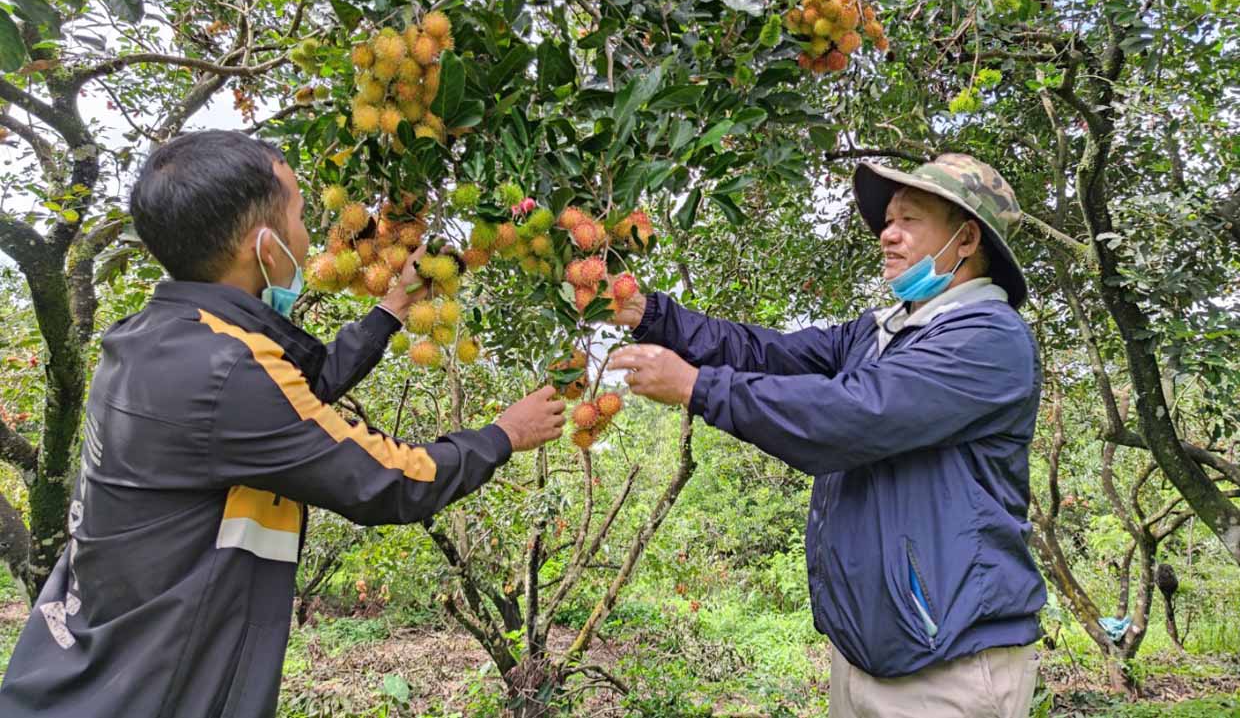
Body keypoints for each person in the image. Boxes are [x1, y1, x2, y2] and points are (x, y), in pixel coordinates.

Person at [0, 130, 566, 718]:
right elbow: (389, 480)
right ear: (267, 247)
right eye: (298, 215)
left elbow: (287, 401)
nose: (310, 234)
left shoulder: (156, 338)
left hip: (77, 675)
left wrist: (391, 311)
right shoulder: (227, 373)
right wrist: (505, 434)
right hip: (146, 694)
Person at [611, 153, 1046, 717]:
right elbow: (767, 353)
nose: (887, 235)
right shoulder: (880, 334)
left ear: (965, 239)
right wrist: (652, 315)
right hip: (869, 651)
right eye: (887, 221)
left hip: (950, 664)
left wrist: (698, 388)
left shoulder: (989, 340)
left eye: (909, 220)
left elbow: (853, 416)